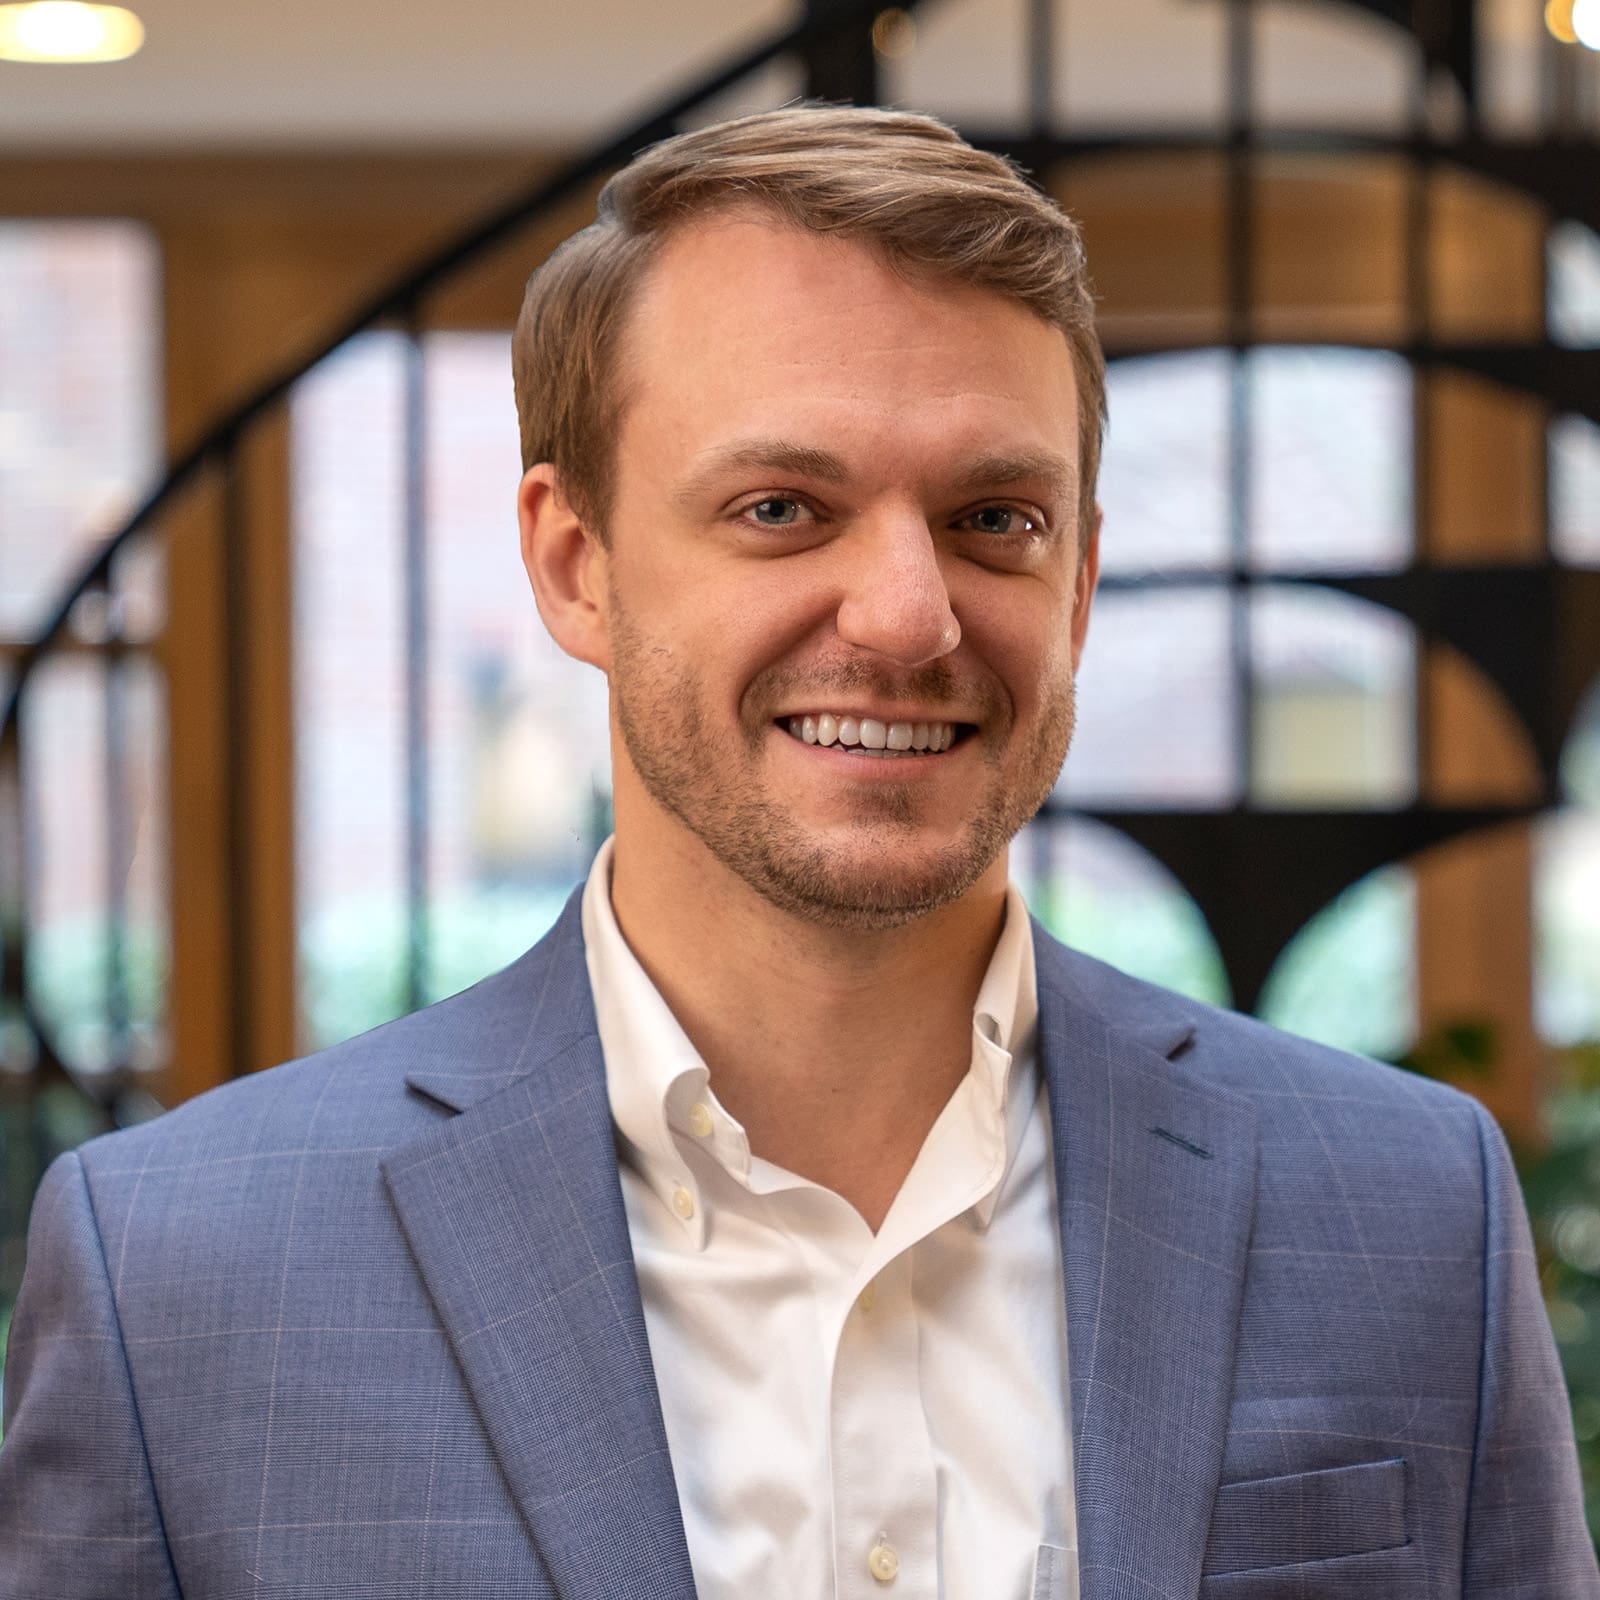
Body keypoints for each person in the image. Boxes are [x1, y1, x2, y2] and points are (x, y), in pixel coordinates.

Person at [0, 104, 1594, 1600]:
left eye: (997, 518)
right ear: (575, 564)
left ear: (1085, 577)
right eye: (780, 507)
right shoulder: (179, 1275)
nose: (908, 614)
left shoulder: (1406, 1209)